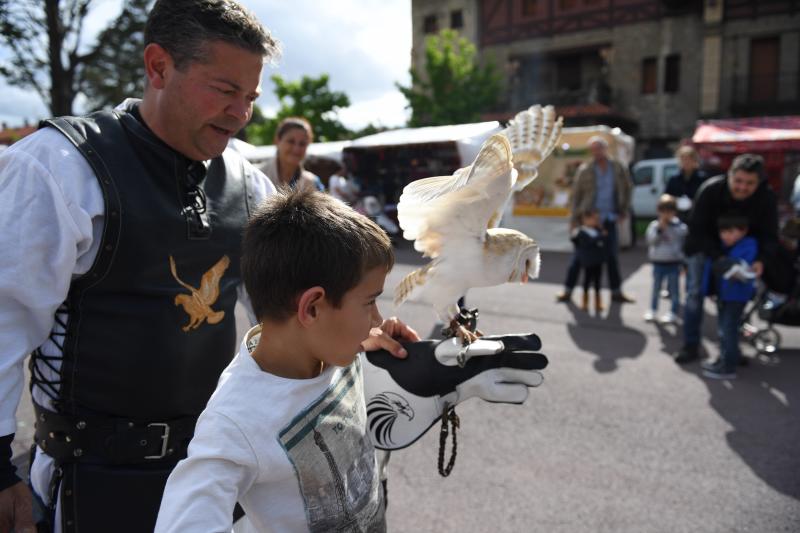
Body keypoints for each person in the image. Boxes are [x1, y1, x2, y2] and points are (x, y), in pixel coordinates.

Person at [0, 2, 414, 531]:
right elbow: (4, 324)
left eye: (250, 98)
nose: (241, 114)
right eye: (224, 90)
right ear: (158, 67)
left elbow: (294, 317)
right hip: (92, 483)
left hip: (221, 465)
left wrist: (372, 337)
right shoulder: (59, 168)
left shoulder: (250, 185)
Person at [155, 190, 393, 531]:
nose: (378, 320)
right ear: (312, 307)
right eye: (370, 302)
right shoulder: (235, 421)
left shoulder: (332, 345)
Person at [675, 153, 779, 364]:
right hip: (704, 248)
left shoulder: (766, 197)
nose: (742, 187)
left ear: (758, 182)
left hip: (741, 252)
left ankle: (730, 348)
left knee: (732, 301)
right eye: (738, 181)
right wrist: (718, 257)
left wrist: (761, 260)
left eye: (749, 183)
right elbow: (697, 229)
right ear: (729, 175)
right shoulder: (711, 189)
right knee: (695, 295)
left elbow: (769, 235)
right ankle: (691, 345)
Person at [556, 136, 635, 304]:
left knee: (611, 255)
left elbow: (627, 188)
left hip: (610, 217)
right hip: (589, 218)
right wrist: (575, 218)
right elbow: (577, 195)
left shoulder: (617, 167)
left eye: (599, 148)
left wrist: (624, 210)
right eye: (593, 149)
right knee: (580, 256)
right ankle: (568, 290)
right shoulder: (585, 169)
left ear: (605, 149)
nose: (596, 152)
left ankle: (616, 291)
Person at [699, 215, 758, 379]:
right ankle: (726, 358)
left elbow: (745, 272)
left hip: (736, 296)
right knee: (723, 329)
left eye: (731, 232)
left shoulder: (748, 246)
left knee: (728, 330)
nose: (726, 236)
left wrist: (731, 267)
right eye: (723, 232)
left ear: (743, 231)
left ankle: (728, 366)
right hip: (723, 295)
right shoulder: (722, 247)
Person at [644, 195, 687, 324]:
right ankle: (653, 310)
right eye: (664, 212)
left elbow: (682, 243)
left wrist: (684, 263)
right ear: (659, 211)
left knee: (674, 290)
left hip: (674, 263)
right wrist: (660, 229)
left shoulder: (680, 227)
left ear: (674, 212)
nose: (666, 215)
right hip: (658, 262)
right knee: (656, 288)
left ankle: (673, 312)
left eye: (670, 211)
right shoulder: (654, 226)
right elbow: (651, 241)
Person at [261, 116, 325, 192]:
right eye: (291, 141)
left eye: (302, 144)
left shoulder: (312, 183)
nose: (296, 149)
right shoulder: (257, 176)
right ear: (277, 141)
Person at [570, 208, 607, 313]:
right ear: (585, 219)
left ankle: (598, 302)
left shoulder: (597, 230)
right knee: (586, 281)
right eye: (593, 219)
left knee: (598, 282)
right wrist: (600, 237)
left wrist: (601, 235)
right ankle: (585, 302)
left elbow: (603, 241)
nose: (596, 221)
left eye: (597, 219)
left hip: (598, 261)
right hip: (588, 262)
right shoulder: (580, 232)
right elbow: (586, 243)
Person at [664, 146, 708, 222]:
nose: (686, 162)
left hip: (697, 217)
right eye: (683, 159)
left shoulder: (702, 179)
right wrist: (676, 201)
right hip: (677, 217)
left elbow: (707, 199)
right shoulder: (674, 179)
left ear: (695, 161)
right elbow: (666, 197)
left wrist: (693, 202)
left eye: (688, 159)